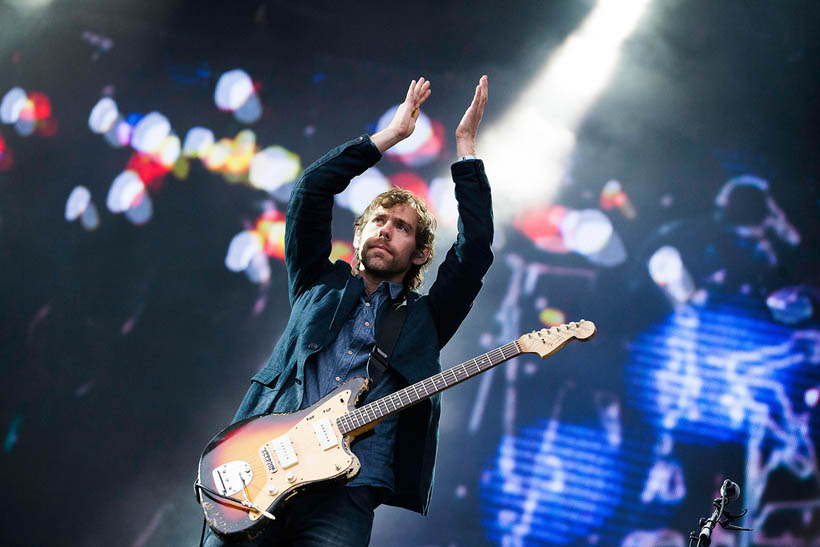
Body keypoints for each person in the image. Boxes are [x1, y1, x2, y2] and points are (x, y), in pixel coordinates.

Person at [204, 75, 492, 546]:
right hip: (262, 469)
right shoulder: (318, 282)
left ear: (420, 253)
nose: (385, 230)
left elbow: (475, 249)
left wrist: (465, 150)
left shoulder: (425, 319)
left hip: (347, 493)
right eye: (378, 220)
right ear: (359, 235)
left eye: (401, 228)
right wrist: (390, 137)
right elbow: (311, 193)